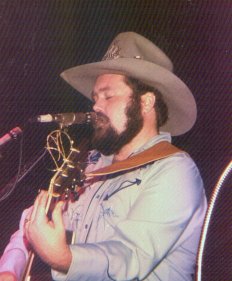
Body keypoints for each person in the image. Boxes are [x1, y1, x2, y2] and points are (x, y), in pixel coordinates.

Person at [0, 32, 207, 281]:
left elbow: (130, 256)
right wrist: (10, 269)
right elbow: (32, 223)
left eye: (108, 96)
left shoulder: (174, 171)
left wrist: (64, 259)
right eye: (95, 98)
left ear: (146, 102)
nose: (96, 106)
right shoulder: (88, 164)